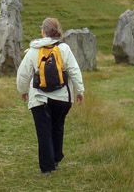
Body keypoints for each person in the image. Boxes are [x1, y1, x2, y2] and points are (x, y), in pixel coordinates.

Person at [16, 18, 85, 175]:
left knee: (43, 131)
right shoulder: (64, 49)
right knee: (57, 126)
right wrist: (79, 91)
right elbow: (74, 70)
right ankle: (56, 158)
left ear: (43, 31)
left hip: (39, 98)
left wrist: (23, 90)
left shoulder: (33, 50)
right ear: (57, 31)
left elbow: (23, 73)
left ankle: (46, 167)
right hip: (62, 98)